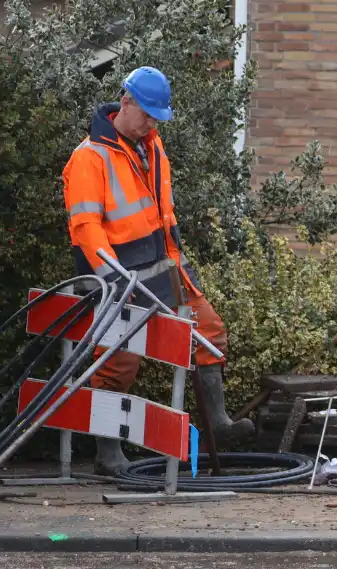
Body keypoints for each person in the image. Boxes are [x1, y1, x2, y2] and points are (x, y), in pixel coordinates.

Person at [62, 66, 253, 475]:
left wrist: (180, 269)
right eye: (146, 115)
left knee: (209, 332)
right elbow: (85, 227)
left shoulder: (152, 146)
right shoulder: (89, 158)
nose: (151, 124)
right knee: (115, 365)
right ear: (125, 102)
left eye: (156, 117)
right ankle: (108, 454)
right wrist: (111, 278)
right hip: (119, 281)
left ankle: (218, 421)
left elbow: (161, 215)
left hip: (167, 272)